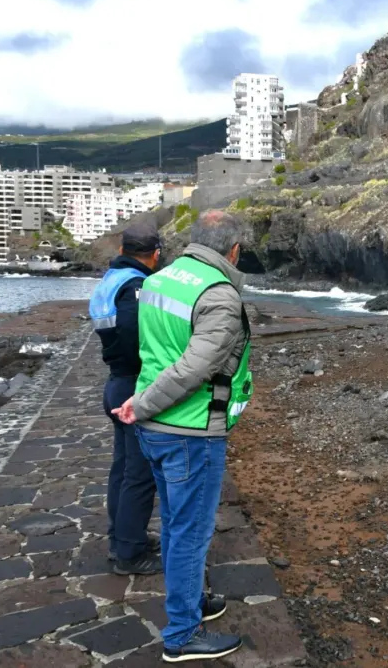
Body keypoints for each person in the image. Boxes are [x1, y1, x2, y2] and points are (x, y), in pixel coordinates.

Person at [113, 210, 252, 663]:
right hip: (191, 431)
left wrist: (142, 404)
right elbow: (195, 367)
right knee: (191, 534)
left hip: (157, 432)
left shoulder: (159, 279)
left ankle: (189, 603)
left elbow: (152, 348)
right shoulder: (219, 295)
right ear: (233, 250)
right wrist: (143, 405)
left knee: (175, 525)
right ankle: (181, 635)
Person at [89, 224, 163, 576]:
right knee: (140, 472)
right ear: (156, 253)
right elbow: (138, 339)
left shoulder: (110, 280)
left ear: (122, 246)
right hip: (133, 386)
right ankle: (129, 554)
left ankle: (121, 537)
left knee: (122, 468)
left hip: (115, 381)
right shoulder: (136, 287)